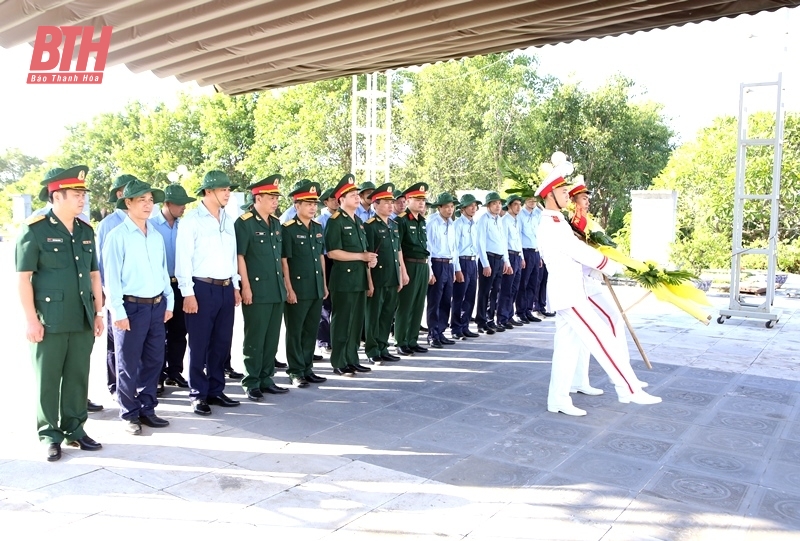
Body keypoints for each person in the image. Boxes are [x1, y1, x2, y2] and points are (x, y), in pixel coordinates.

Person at [535, 157, 661, 417]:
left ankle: (557, 399)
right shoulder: (552, 224)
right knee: (602, 340)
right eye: (562, 192)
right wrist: (612, 265)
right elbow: (578, 251)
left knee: (566, 350)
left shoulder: (557, 222)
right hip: (568, 294)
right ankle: (628, 389)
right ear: (549, 196)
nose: (567, 196)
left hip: (568, 292)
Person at [16, 166, 104, 461]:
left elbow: (94, 275)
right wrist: (31, 319)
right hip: (49, 319)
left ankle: (75, 429)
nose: (82, 199)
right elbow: (23, 278)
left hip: (81, 317)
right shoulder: (36, 229)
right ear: (57, 196)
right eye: (76, 194)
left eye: (82, 194)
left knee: (78, 376)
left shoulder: (85, 230)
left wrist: (98, 312)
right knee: (48, 379)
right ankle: (49, 435)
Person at [566, 180, 651, 396]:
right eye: (583, 198)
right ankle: (625, 373)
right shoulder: (573, 222)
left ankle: (579, 380)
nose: (587, 201)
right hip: (582, 281)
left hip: (589, 280)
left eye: (587, 197)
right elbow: (580, 251)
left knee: (581, 335)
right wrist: (601, 265)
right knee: (612, 318)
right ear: (574, 200)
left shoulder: (586, 221)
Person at [104, 179, 174, 435]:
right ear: (128, 203)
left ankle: (148, 408)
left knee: (154, 360)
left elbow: (163, 271)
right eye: (141, 200)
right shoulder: (117, 236)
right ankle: (129, 413)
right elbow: (111, 279)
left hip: (157, 306)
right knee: (128, 363)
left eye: (150, 200)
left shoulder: (154, 235)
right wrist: (118, 313)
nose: (147, 205)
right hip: (131, 308)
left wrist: (169, 301)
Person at [176, 170, 242, 416]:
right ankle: (197, 394)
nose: (227, 193)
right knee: (199, 343)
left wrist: (235, 285)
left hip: (225, 287)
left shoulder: (228, 219)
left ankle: (216, 389)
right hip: (201, 288)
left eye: (228, 189)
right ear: (208, 191)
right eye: (223, 189)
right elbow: (183, 259)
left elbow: (232, 256)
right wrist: (188, 294)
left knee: (221, 342)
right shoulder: (191, 221)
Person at [234, 174, 292, 400]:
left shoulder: (276, 223)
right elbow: (240, 256)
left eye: (276, 197)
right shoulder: (245, 223)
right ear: (257, 198)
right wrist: (245, 286)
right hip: (257, 290)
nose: (275, 201)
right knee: (255, 337)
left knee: (271, 337)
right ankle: (251, 381)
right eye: (271, 197)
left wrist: (286, 286)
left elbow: (280, 259)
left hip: (275, 289)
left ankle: (267, 378)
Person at [324, 174, 377, 375]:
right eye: (352, 195)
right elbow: (333, 252)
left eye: (357, 194)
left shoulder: (358, 222)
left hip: (360, 279)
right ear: (341, 200)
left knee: (356, 323)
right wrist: (361, 256)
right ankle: (339, 361)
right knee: (342, 321)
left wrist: (369, 261)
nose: (357, 197)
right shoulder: (335, 221)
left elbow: (363, 255)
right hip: (344, 280)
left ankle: (352, 358)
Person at [282, 181, 330, 386]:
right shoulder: (288, 229)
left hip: (316, 287)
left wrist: (324, 284)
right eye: (307, 203)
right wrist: (289, 288)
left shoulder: (318, 227)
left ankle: (307, 367)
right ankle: (295, 371)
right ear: (296, 206)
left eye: (314, 204)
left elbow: (321, 257)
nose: (313, 207)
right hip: (298, 288)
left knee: (311, 329)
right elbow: (284, 261)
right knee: (296, 330)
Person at [151, 184, 196, 391]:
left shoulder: (185, 226)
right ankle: (157, 375)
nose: (183, 208)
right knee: (159, 333)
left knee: (180, 331)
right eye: (179, 204)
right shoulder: (151, 225)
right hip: (159, 286)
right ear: (167, 204)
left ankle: (174, 372)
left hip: (181, 285)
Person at [97, 174, 136, 396]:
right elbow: (102, 264)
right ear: (121, 194)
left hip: (139, 295)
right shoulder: (108, 224)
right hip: (117, 294)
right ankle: (115, 385)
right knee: (116, 343)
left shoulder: (146, 221)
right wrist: (104, 293)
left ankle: (136, 385)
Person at [364, 182, 407, 364]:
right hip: (377, 278)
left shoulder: (394, 225)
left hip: (392, 276)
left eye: (391, 202)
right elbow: (367, 255)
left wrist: (401, 273)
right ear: (375, 204)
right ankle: (372, 349)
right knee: (373, 315)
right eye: (386, 202)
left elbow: (398, 251)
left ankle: (383, 346)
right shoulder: (370, 226)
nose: (390, 205)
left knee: (388, 314)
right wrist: (369, 282)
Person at [394, 182, 430, 356]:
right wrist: (402, 270)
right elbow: (397, 247)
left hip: (422, 265)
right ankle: (401, 341)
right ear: (408, 200)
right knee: (405, 304)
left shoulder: (422, 221)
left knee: (418, 305)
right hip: (408, 264)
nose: (421, 202)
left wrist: (428, 268)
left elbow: (424, 246)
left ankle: (412, 340)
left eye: (423, 199)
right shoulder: (401, 220)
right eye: (417, 199)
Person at [474, 192, 512, 335]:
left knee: (495, 290)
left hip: (499, 258)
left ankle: (490, 319)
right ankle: (481, 321)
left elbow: (503, 242)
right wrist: (485, 264)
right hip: (488, 258)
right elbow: (480, 242)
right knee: (484, 291)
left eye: (499, 203)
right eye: (494, 203)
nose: (498, 206)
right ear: (488, 206)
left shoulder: (499, 220)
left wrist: (506, 261)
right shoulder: (484, 220)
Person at [425, 193, 458, 348]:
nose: (450, 210)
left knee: (446, 300)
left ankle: (441, 330)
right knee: (434, 300)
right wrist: (430, 270)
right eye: (446, 207)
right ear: (439, 208)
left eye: (452, 206)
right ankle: (432, 334)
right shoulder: (432, 222)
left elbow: (454, 248)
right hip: (437, 263)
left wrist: (456, 269)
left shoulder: (452, 224)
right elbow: (428, 248)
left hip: (449, 264)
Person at [450, 193, 481, 340]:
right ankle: (456, 328)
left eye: (475, 206)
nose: (474, 208)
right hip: (461, 261)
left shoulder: (475, 224)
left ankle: (465, 325)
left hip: (473, 261)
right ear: (462, 209)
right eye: (470, 206)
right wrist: (457, 269)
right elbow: (454, 248)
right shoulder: (457, 225)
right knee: (459, 297)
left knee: (470, 296)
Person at [497, 194, 526, 329]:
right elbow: (503, 242)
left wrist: (522, 257)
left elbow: (518, 240)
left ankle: (509, 315)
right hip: (509, 255)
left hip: (517, 256)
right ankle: (502, 317)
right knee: (506, 288)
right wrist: (506, 261)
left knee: (514, 288)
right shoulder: (505, 220)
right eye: (515, 204)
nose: (518, 207)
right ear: (509, 206)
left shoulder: (516, 220)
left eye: (520, 204)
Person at [316, 187, 338, 354]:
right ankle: (323, 340)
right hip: (326, 260)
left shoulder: (344, 218)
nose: (336, 201)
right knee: (325, 303)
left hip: (340, 262)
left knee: (337, 302)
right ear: (325, 202)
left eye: (338, 198)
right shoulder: (321, 220)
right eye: (332, 199)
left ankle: (335, 338)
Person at [518, 196, 543, 323]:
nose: (532, 203)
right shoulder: (520, 215)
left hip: (536, 251)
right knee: (524, 283)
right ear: (525, 201)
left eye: (534, 200)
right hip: (525, 251)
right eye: (530, 200)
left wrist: (540, 255)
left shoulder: (538, 214)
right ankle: (521, 311)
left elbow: (540, 235)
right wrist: (521, 257)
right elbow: (518, 236)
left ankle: (528, 310)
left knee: (534, 283)